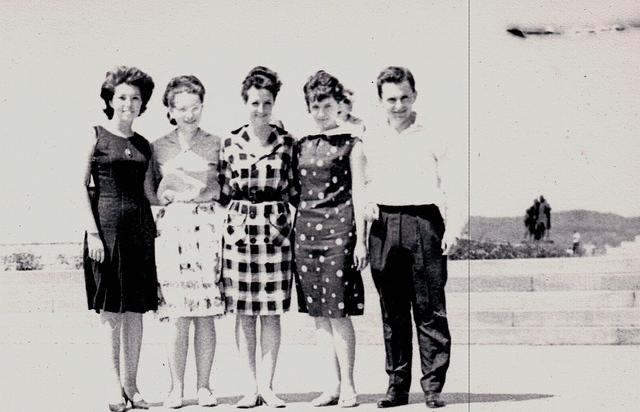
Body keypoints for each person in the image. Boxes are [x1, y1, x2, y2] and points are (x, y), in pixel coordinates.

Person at [363, 67, 466, 409]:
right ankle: (397, 387)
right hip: (384, 223)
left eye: (404, 97)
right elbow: (362, 183)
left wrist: (453, 229)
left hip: (425, 221)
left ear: (415, 96)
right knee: (392, 311)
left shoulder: (433, 134)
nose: (398, 105)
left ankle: (433, 387)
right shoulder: (370, 137)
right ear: (380, 101)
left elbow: (453, 183)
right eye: (391, 99)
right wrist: (366, 205)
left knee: (430, 308)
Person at [219, 66, 298, 408]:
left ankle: (268, 386)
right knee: (243, 312)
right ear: (245, 102)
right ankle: (249, 387)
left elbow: (294, 189)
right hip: (239, 231)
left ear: (274, 103)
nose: (261, 109)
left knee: (271, 312)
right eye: (254, 102)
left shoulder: (287, 144)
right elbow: (222, 192)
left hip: (276, 233)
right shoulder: (229, 143)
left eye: (267, 103)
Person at [145, 75, 224, 408]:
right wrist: (160, 219)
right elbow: (149, 188)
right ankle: (176, 388)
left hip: (207, 225)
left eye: (196, 107)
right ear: (170, 110)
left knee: (206, 313)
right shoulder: (157, 145)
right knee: (177, 313)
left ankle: (204, 387)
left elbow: (228, 185)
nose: (190, 114)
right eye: (182, 108)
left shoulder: (217, 143)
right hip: (173, 226)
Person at [82, 66, 157, 412]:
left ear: (143, 104)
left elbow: (150, 193)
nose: (128, 104)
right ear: (111, 100)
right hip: (106, 230)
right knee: (111, 311)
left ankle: (132, 384)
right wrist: (93, 232)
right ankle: (114, 387)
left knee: (136, 311)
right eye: (122, 97)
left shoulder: (144, 144)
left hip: (140, 232)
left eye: (135, 98)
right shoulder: (96, 135)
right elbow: (78, 185)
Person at [293, 70, 368, 408]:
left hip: (340, 230)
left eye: (326, 105)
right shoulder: (301, 143)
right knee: (318, 314)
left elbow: (359, 192)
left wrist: (361, 240)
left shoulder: (353, 142)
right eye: (314, 106)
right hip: (306, 232)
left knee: (339, 311)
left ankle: (350, 385)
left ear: (339, 105)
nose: (320, 112)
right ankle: (331, 385)